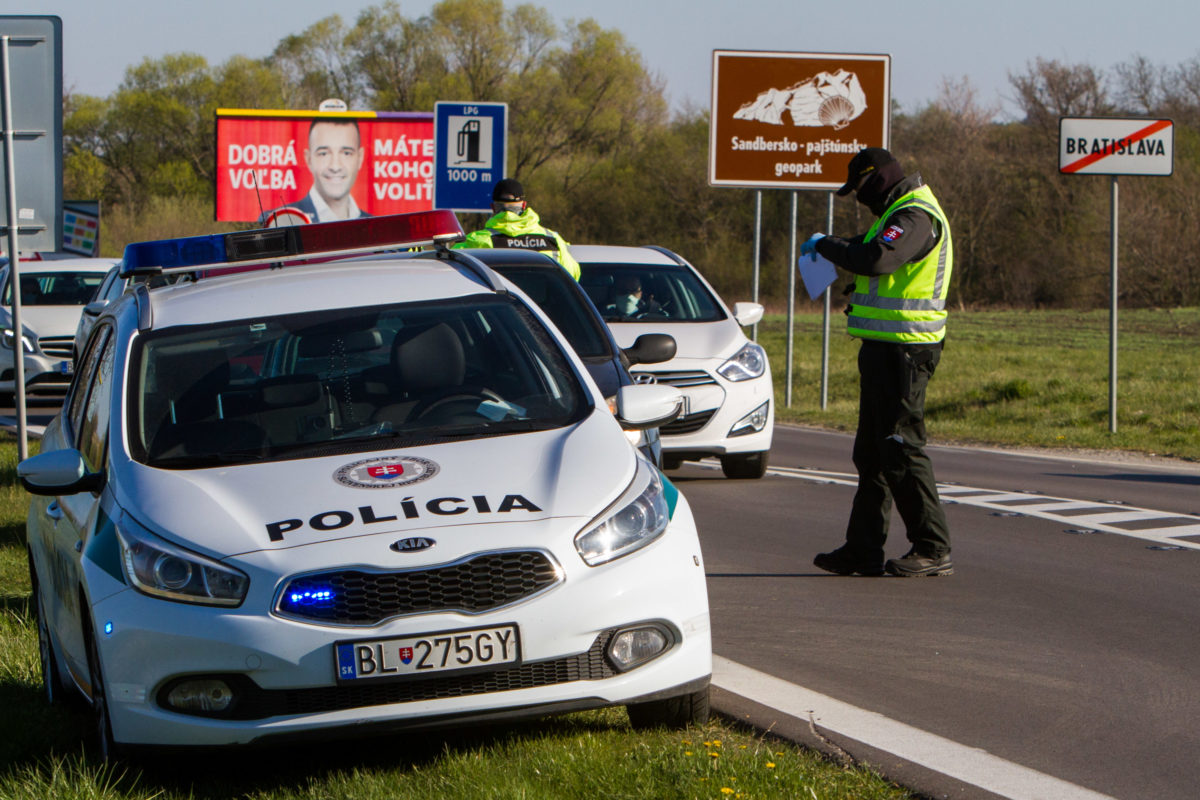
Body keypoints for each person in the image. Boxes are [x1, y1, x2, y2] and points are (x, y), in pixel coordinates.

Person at [803, 147, 954, 578]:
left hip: (907, 350)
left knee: (901, 448)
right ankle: (862, 549)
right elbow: (865, 248)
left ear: (876, 181)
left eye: (859, 190)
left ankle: (932, 547)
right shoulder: (893, 215)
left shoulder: (914, 215)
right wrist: (829, 245)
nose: (858, 200)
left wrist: (827, 246)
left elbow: (877, 258)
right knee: (871, 454)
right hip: (882, 347)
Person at [454, 178, 581, 280]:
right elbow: (573, 274)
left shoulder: (478, 241)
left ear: (493, 207)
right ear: (524, 205)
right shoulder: (552, 239)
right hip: (544, 310)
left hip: (502, 310)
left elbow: (449, 268)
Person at [261, 119, 369, 225]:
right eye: (323, 154)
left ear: (360, 158)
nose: (335, 166)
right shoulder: (277, 222)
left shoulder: (375, 226)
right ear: (309, 159)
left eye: (346, 153)